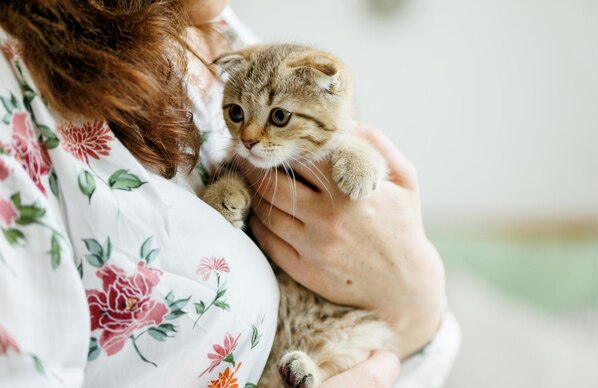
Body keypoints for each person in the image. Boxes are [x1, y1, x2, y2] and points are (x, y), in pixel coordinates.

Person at [0, 1, 460, 387]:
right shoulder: (15, 89)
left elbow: (417, 350)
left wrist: (417, 297)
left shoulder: (224, 30)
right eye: (238, 115)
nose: (253, 137)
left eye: (274, 119)